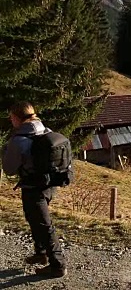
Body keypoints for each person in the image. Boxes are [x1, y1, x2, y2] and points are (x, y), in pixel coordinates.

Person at [2, 101, 67, 278]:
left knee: (44, 225)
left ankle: (58, 265)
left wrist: (6, 151)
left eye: (11, 118)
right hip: (50, 184)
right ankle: (41, 253)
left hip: (33, 186)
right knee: (34, 218)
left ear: (16, 118)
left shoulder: (18, 140)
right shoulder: (45, 130)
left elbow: (9, 169)